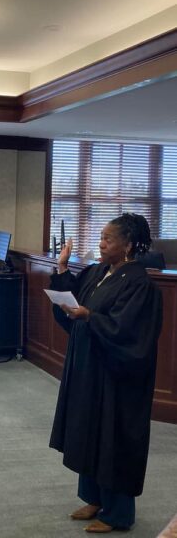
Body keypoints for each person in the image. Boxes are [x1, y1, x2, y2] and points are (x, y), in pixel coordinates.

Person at [49, 213, 163, 533]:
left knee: (113, 438)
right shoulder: (99, 271)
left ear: (127, 245)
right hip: (90, 367)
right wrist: (61, 270)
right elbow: (76, 300)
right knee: (89, 432)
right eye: (100, 237)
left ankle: (118, 514)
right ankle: (94, 498)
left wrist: (89, 316)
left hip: (117, 376)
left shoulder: (140, 283)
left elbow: (127, 330)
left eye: (107, 239)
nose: (101, 244)